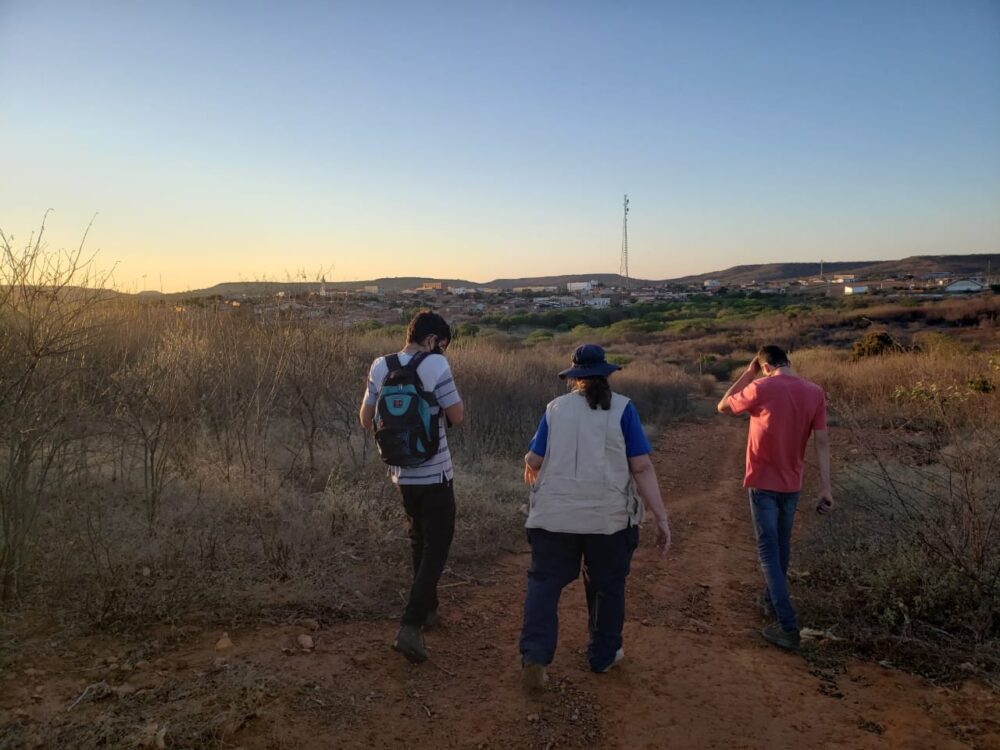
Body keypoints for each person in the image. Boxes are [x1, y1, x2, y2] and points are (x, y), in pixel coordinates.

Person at [519, 344, 671, 690]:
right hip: (608, 520)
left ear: (574, 378)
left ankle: (535, 656)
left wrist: (531, 469)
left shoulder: (555, 408)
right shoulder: (623, 409)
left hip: (553, 518)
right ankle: (603, 656)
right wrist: (660, 516)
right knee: (607, 585)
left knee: (544, 584)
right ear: (606, 373)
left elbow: (534, 459)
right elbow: (642, 466)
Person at [359, 310, 464, 664]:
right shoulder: (436, 366)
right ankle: (410, 625)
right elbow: (457, 415)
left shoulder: (380, 365)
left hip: (401, 474)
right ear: (433, 339)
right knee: (437, 546)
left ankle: (429, 609)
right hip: (436, 475)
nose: (443, 351)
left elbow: (365, 417)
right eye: (443, 345)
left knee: (419, 540)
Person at [717, 344, 832, 650]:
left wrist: (748, 372)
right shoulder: (815, 392)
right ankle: (770, 599)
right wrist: (825, 488)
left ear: (765, 366)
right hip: (792, 483)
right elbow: (822, 443)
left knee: (769, 552)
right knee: (781, 547)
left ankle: (788, 626)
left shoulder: (761, 386)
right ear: (789, 361)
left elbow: (723, 406)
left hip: (763, 482)